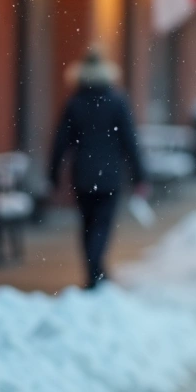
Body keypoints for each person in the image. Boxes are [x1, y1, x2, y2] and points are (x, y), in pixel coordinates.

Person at [49, 49, 148, 289]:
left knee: (87, 223)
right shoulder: (117, 101)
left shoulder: (74, 103)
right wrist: (140, 175)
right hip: (109, 174)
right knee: (102, 224)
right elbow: (129, 140)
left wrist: (52, 173)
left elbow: (60, 141)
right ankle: (96, 271)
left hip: (82, 174)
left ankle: (95, 269)